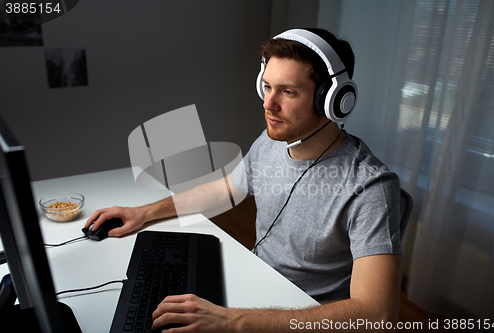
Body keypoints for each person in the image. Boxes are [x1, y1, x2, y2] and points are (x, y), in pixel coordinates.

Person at [86, 28, 403, 332]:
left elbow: (377, 314)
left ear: (332, 100)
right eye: (267, 87)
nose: (268, 104)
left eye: (287, 91)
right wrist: (142, 213)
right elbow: (227, 189)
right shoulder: (273, 141)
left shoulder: (371, 187)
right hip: (250, 290)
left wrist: (233, 322)